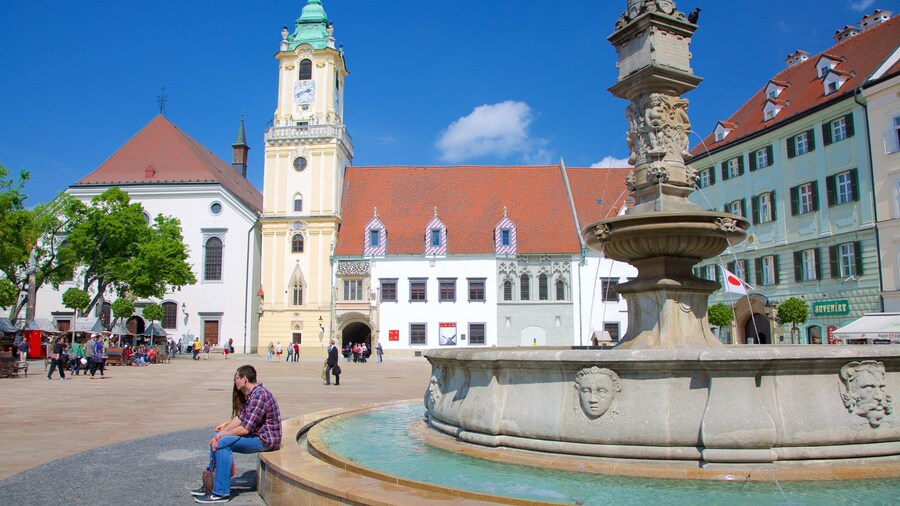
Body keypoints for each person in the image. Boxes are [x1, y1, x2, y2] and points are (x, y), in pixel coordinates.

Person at [191, 365, 282, 504]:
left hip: (266, 440)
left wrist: (222, 436)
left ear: (245, 379)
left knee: (222, 443)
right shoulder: (253, 394)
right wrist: (224, 429)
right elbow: (240, 417)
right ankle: (211, 484)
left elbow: (245, 428)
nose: (235, 382)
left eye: (237, 378)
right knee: (216, 439)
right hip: (257, 436)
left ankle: (221, 493)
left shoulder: (260, 396)